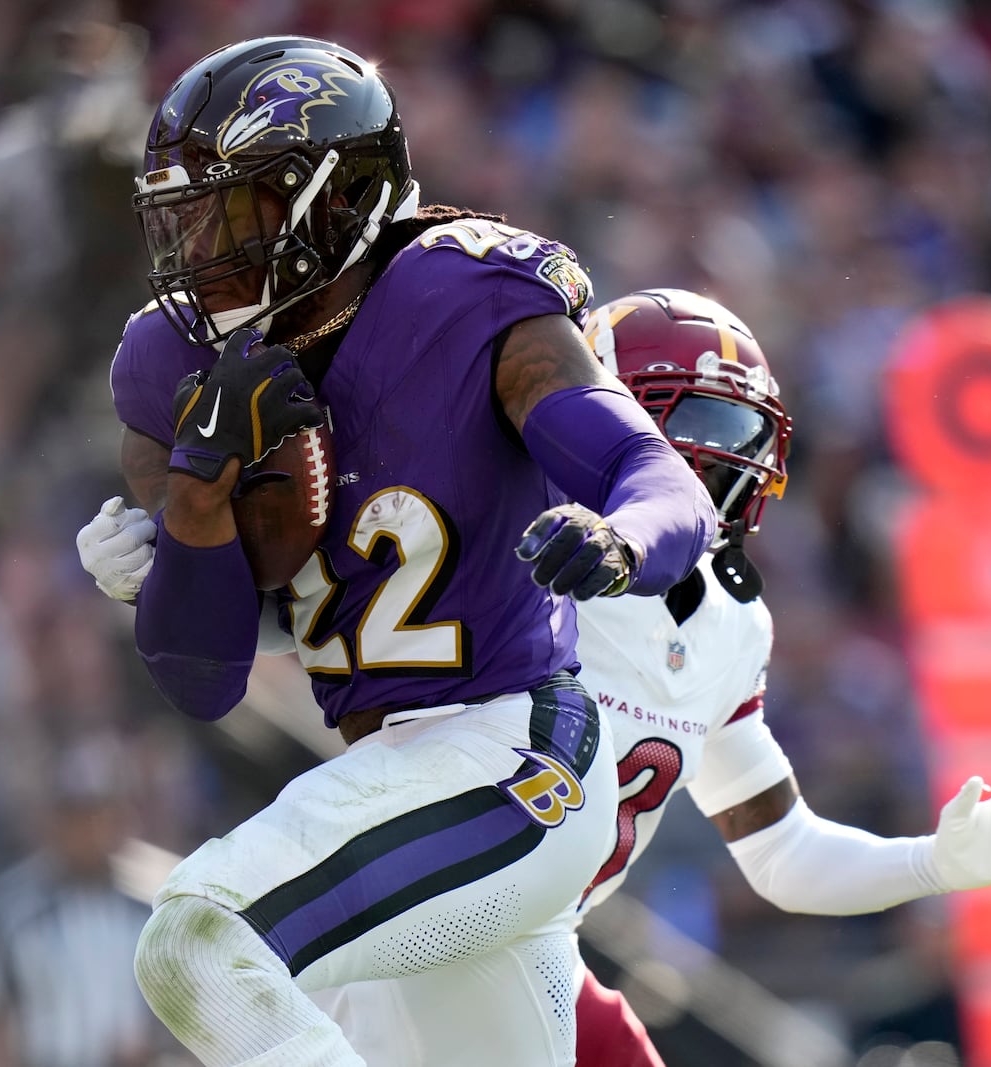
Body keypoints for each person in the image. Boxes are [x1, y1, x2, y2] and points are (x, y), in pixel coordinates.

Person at [82, 288, 991, 1065]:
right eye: (698, 415)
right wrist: (175, 568)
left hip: (534, 944)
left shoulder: (730, 621)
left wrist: (932, 863)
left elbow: (781, 848)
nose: (726, 456)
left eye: (740, 430)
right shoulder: (513, 531)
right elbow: (316, 619)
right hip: (411, 922)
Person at [79, 35, 715, 1067]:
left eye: (230, 210)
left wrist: (617, 537)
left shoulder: (468, 300)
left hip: (511, 751)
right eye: (182, 216)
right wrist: (194, 506)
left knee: (201, 938)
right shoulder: (174, 362)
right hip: (400, 772)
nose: (200, 248)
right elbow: (201, 677)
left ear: (336, 199)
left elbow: (657, 483)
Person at [0, 739, 171, 1067]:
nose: (88, 830)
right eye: (76, 816)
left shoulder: (152, 901)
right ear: (52, 821)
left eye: (99, 814)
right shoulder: (9, 906)